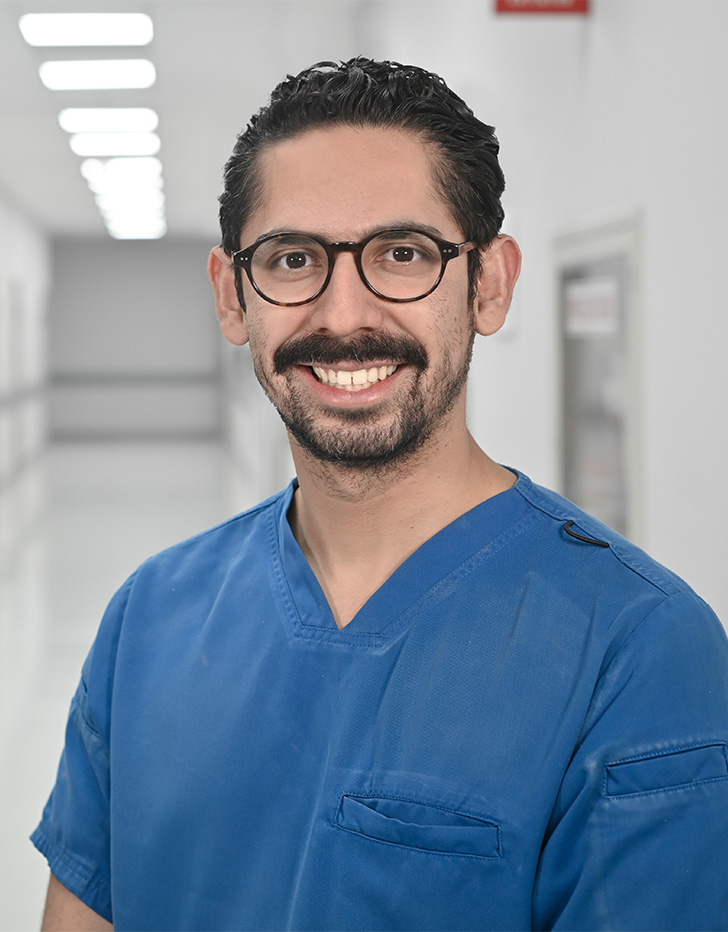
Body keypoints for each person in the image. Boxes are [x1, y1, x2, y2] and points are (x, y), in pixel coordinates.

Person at [33, 57, 728, 932]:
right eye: (293, 259)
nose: (342, 313)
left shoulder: (638, 652)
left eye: (404, 254)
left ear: (490, 283)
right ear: (232, 296)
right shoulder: (150, 618)